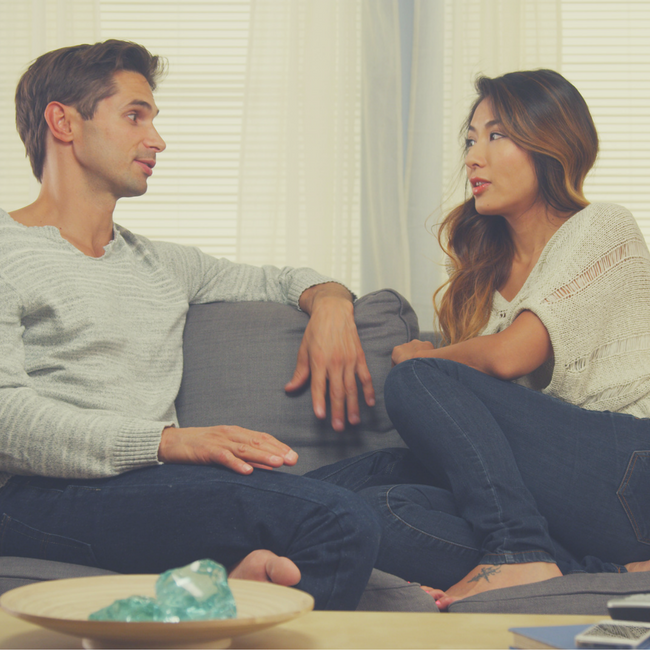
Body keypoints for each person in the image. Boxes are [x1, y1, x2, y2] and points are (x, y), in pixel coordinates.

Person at [0, 39, 382, 611]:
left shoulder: (164, 265)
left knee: (402, 474)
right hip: (44, 496)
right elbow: (6, 418)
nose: (156, 140)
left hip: (150, 491)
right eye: (135, 115)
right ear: (63, 121)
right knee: (342, 520)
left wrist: (330, 303)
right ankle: (228, 592)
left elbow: (282, 280)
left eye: (153, 118)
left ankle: (225, 584)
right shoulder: (7, 252)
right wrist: (171, 443)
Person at [307, 69, 650, 610]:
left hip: (631, 470)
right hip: (566, 502)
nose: (473, 157)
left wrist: (428, 359)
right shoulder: (484, 282)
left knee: (416, 377)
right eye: (470, 139)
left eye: (496, 135)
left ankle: (518, 549)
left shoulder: (603, 228)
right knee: (380, 504)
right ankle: (594, 572)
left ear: (550, 142)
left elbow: (514, 354)